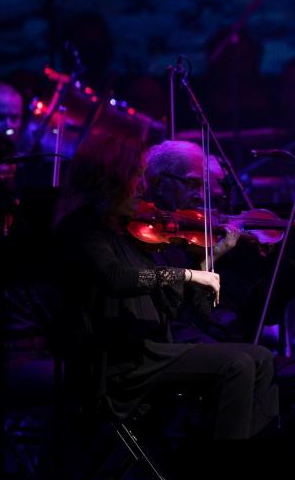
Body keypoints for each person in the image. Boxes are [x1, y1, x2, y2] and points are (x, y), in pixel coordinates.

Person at [52, 134, 278, 439]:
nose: (144, 186)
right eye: (136, 176)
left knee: (261, 358)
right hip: (114, 363)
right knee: (236, 365)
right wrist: (184, 275)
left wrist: (207, 261)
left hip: (151, 351)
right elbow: (117, 279)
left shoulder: (128, 230)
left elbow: (174, 307)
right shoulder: (81, 228)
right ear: (109, 179)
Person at [141, 139, 295, 439]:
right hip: (194, 353)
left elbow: (266, 307)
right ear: (158, 183)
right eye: (195, 184)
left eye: (214, 186)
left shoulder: (229, 241)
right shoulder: (149, 237)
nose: (208, 196)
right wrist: (213, 257)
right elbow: (172, 306)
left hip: (240, 350)